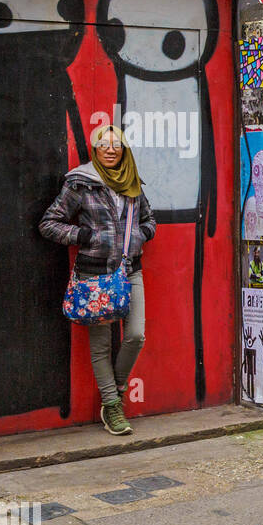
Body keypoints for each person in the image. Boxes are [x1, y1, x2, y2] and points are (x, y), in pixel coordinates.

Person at [40, 124, 156, 436]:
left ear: (123, 149)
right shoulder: (80, 182)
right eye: (103, 143)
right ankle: (113, 406)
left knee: (135, 335)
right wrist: (84, 235)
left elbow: (149, 220)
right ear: (94, 149)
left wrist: (138, 237)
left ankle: (115, 389)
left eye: (116, 144)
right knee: (101, 344)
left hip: (129, 269)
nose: (110, 148)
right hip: (94, 273)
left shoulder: (133, 182)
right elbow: (49, 223)